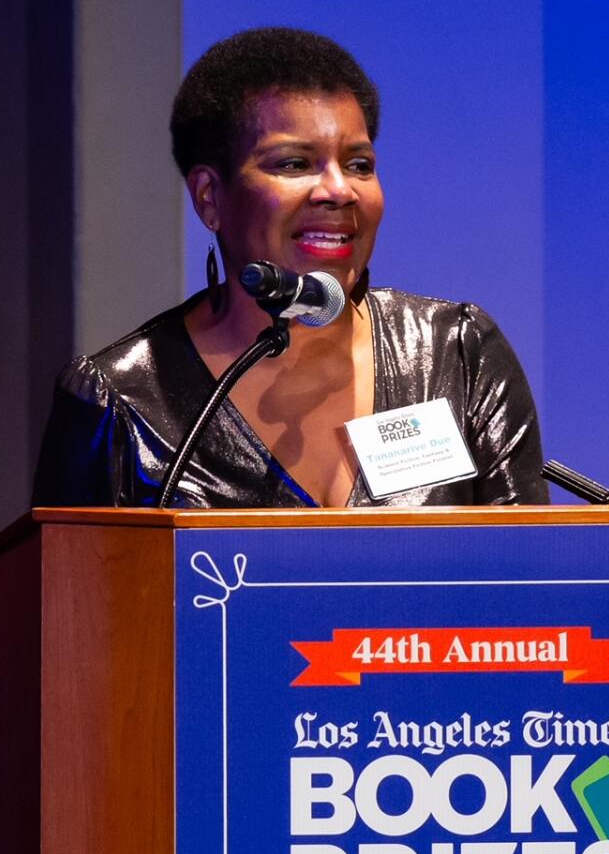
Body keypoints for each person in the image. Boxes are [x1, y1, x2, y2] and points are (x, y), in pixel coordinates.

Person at [33, 27, 549, 508]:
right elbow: (67, 598)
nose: (340, 190)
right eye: (294, 163)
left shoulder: (455, 356)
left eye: (359, 164)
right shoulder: (120, 403)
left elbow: (532, 586)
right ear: (210, 197)